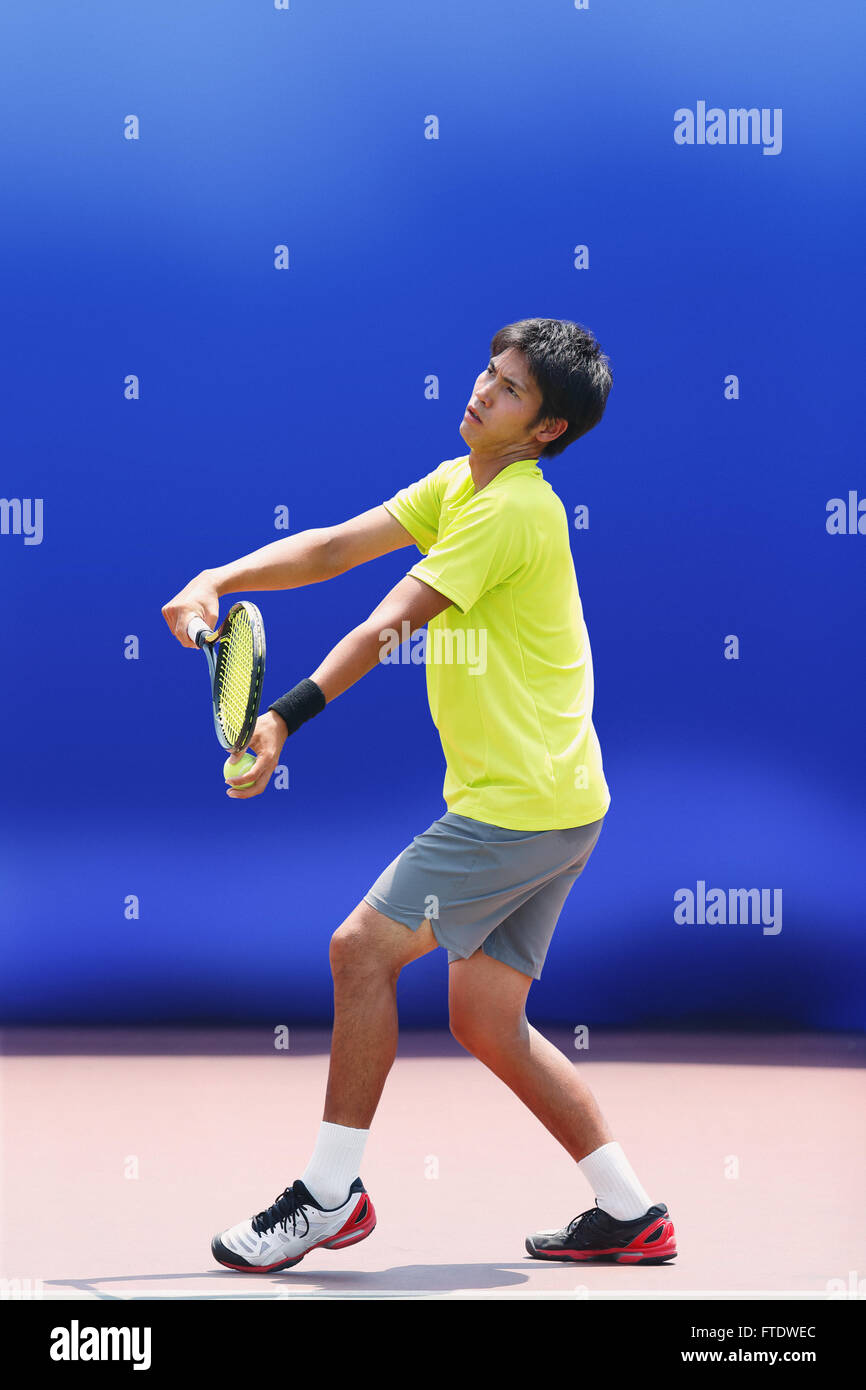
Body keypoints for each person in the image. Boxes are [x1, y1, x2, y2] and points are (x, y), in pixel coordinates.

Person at [162, 316, 677, 1271]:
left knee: (360, 952)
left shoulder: (514, 510)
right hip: (565, 803)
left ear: (546, 431)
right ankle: (630, 1212)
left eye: (512, 389)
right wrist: (217, 575)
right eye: (490, 372)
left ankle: (327, 1195)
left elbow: (387, 620)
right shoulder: (458, 483)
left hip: (514, 808)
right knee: (487, 1021)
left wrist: (281, 719)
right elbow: (329, 552)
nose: (483, 389)